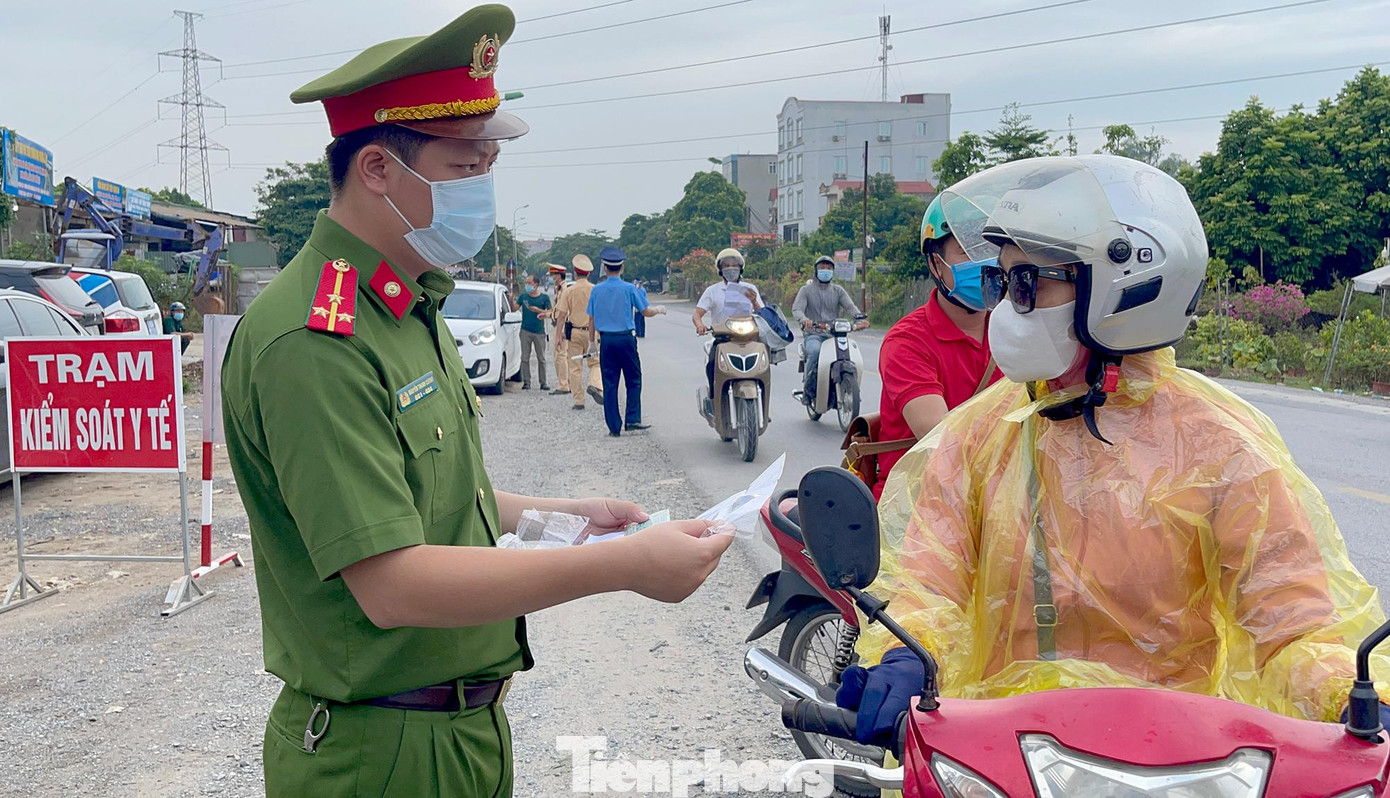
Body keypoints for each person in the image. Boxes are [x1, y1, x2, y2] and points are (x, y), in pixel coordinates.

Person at [219, 8, 733, 795]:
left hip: (453, 732)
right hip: (378, 753)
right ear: (379, 171)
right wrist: (626, 567)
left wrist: (568, 515)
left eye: (489, 165)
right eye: (466, 168)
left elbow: (430, 494)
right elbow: (392, 584)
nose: (483, 188)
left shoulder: (404, 303)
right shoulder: (314, 339)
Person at [835, 155, 1388, 747]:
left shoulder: (1218, 444)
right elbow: (930, 584)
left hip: (1174, 758)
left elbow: (1294, 623)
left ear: (1124, 289)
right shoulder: (981, 435)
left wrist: (1351, 697)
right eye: (1001, 281)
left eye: (1026, 284)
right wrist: (906, 654)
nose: (1002, 310)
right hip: (1002, 754)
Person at [870, 197, 1000, 499]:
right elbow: (943, 441)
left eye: (990, 250)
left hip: (994, 496)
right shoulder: (908, 341)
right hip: (916, 504)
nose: (983, 264)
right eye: (966, 251)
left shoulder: (1015, 329)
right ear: (936, 264)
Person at [586, 246, 665, 437]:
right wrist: (659, 309)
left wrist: (592, 343)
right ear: (622, 268)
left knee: (610, 382)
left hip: (606, 341)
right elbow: (645, 311)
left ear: (604, 268)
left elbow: (591, 319)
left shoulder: (596, 290)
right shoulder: (629, 288)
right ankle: (632, 419)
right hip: (626, 339)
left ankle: (614, 427)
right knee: (633, 379)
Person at [790, 256, 866, 406]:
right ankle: (808, 390)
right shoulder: (806, 290)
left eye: (829, 268)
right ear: (816, 270)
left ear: (833, 271)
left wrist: (859, 319)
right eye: (822, 268)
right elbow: (797, 309)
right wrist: (805, 320)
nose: (825, 271)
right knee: (815, 352)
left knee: (849, 356)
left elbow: (851, 308)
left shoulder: (838, 291)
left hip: (834, 335)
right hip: (814, 334)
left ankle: (852, 389)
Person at [692, 249, 763, 392]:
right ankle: (714, 396)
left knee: (763, 364)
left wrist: (754, 301)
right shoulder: (713, 291)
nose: (731, 268)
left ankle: (761, 401)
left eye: (734, 265)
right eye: (726, 265)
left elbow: (762, 314)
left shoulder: (750, 289)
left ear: (740, 268)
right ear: (720, 269)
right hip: (722, 338)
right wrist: (700, 325)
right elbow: (697, 314)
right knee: (712, 363)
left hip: (748, 338)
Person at [553, 256, 603, 410]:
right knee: (595, 363)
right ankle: (594, 384)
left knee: (574, 366)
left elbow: (561, 315)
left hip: (574, 332)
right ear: (588, 274)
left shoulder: (569, 290)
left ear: (575, 273)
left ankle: (579, 400)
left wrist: (558, 337)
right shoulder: (595, 289)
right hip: (592, 333)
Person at [516, 274, 550, 390]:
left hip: (539, 332)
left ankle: (543, 382)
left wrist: (537, 310)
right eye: (526, 283)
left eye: (529, 283)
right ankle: (526, 381)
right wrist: (511, 299)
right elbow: (514, 308)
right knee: (525, 357)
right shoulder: (523, 297)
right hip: (525, 330)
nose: (527, 285)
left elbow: (549, 312)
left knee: (541, 358)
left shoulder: (544, 298)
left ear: (536, 285)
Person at [546, 264, 571, 395]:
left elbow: (564, 311)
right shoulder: (559, 289)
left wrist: (561, 331)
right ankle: (568, 383)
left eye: (553, 275)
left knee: (560, 355)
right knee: (563, 356)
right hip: (558, 324)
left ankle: (563, 385)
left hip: (561, 326)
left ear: (558, 275)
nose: (552, 278)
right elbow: (557, 310)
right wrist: (547, 314)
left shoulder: (565, 289)